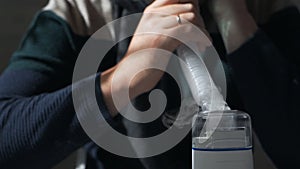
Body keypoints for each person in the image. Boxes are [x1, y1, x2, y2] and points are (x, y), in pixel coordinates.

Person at [0, 0, 299, 169]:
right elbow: (7, 139)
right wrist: (121, 79)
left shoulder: (265, 10)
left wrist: (236, 22)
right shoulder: (84, 13)